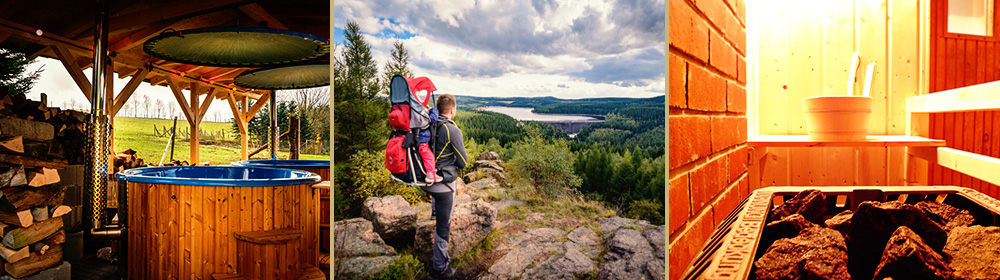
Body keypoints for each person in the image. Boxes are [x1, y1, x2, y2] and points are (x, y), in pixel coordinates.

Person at [424, 93, 468, 279]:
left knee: (439, 204)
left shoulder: (428, 123)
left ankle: (435, 211)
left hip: (426, 179)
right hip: (444, 186)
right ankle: (439, 269)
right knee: (443, 227)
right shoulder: (452, 130)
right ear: (452, 110)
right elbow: (463, 162)